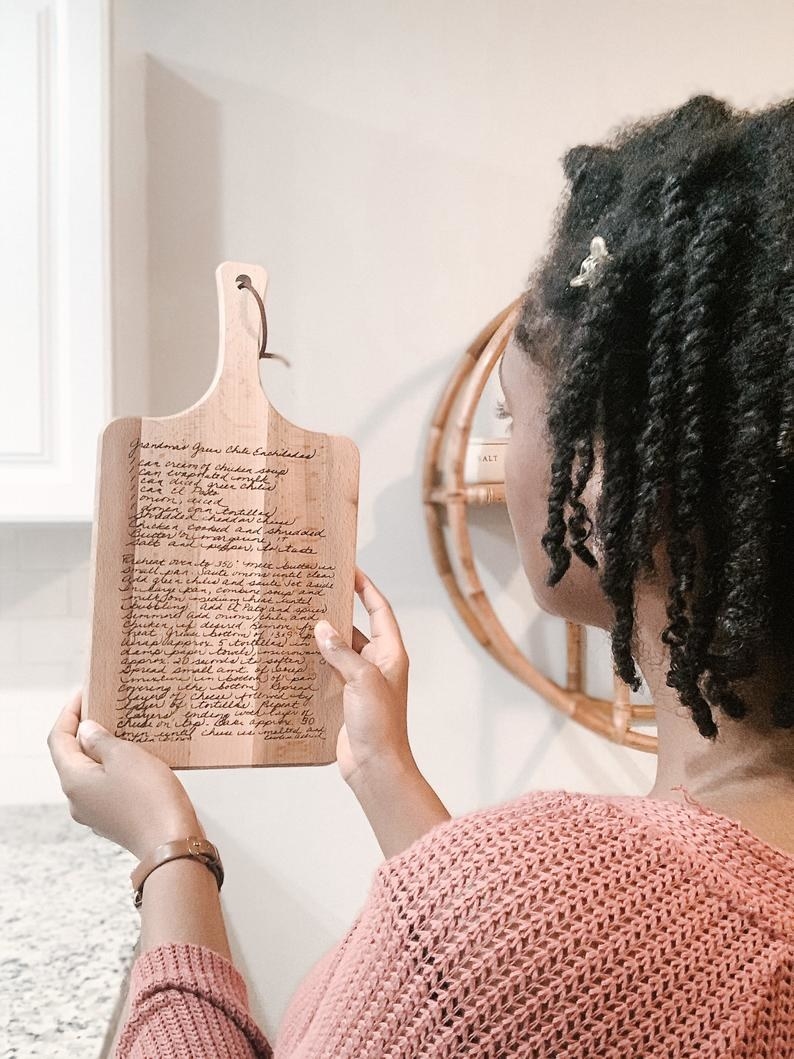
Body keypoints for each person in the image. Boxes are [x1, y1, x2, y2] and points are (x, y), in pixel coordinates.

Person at [48, 92, 793, 1057]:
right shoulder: (586, 917)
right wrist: (386, 775)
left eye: (512, 419)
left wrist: (169, 853)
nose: (510, 450)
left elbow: (509, 975)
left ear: (611, 483)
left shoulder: (531, 923)